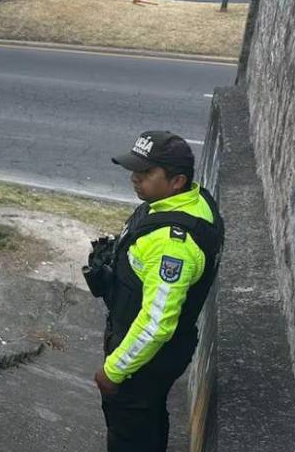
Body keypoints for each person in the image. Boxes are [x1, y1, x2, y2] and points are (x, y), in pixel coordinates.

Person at [90, 131, 224, 452]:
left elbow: (156, 323)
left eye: (146, 173)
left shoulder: (172, 246)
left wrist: (113, 370)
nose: (135, 179)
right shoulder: (186, 200)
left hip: (145, 363)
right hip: (157, 357)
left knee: (128, 433)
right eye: (134, 170)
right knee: (148, 421)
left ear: (176, 181)